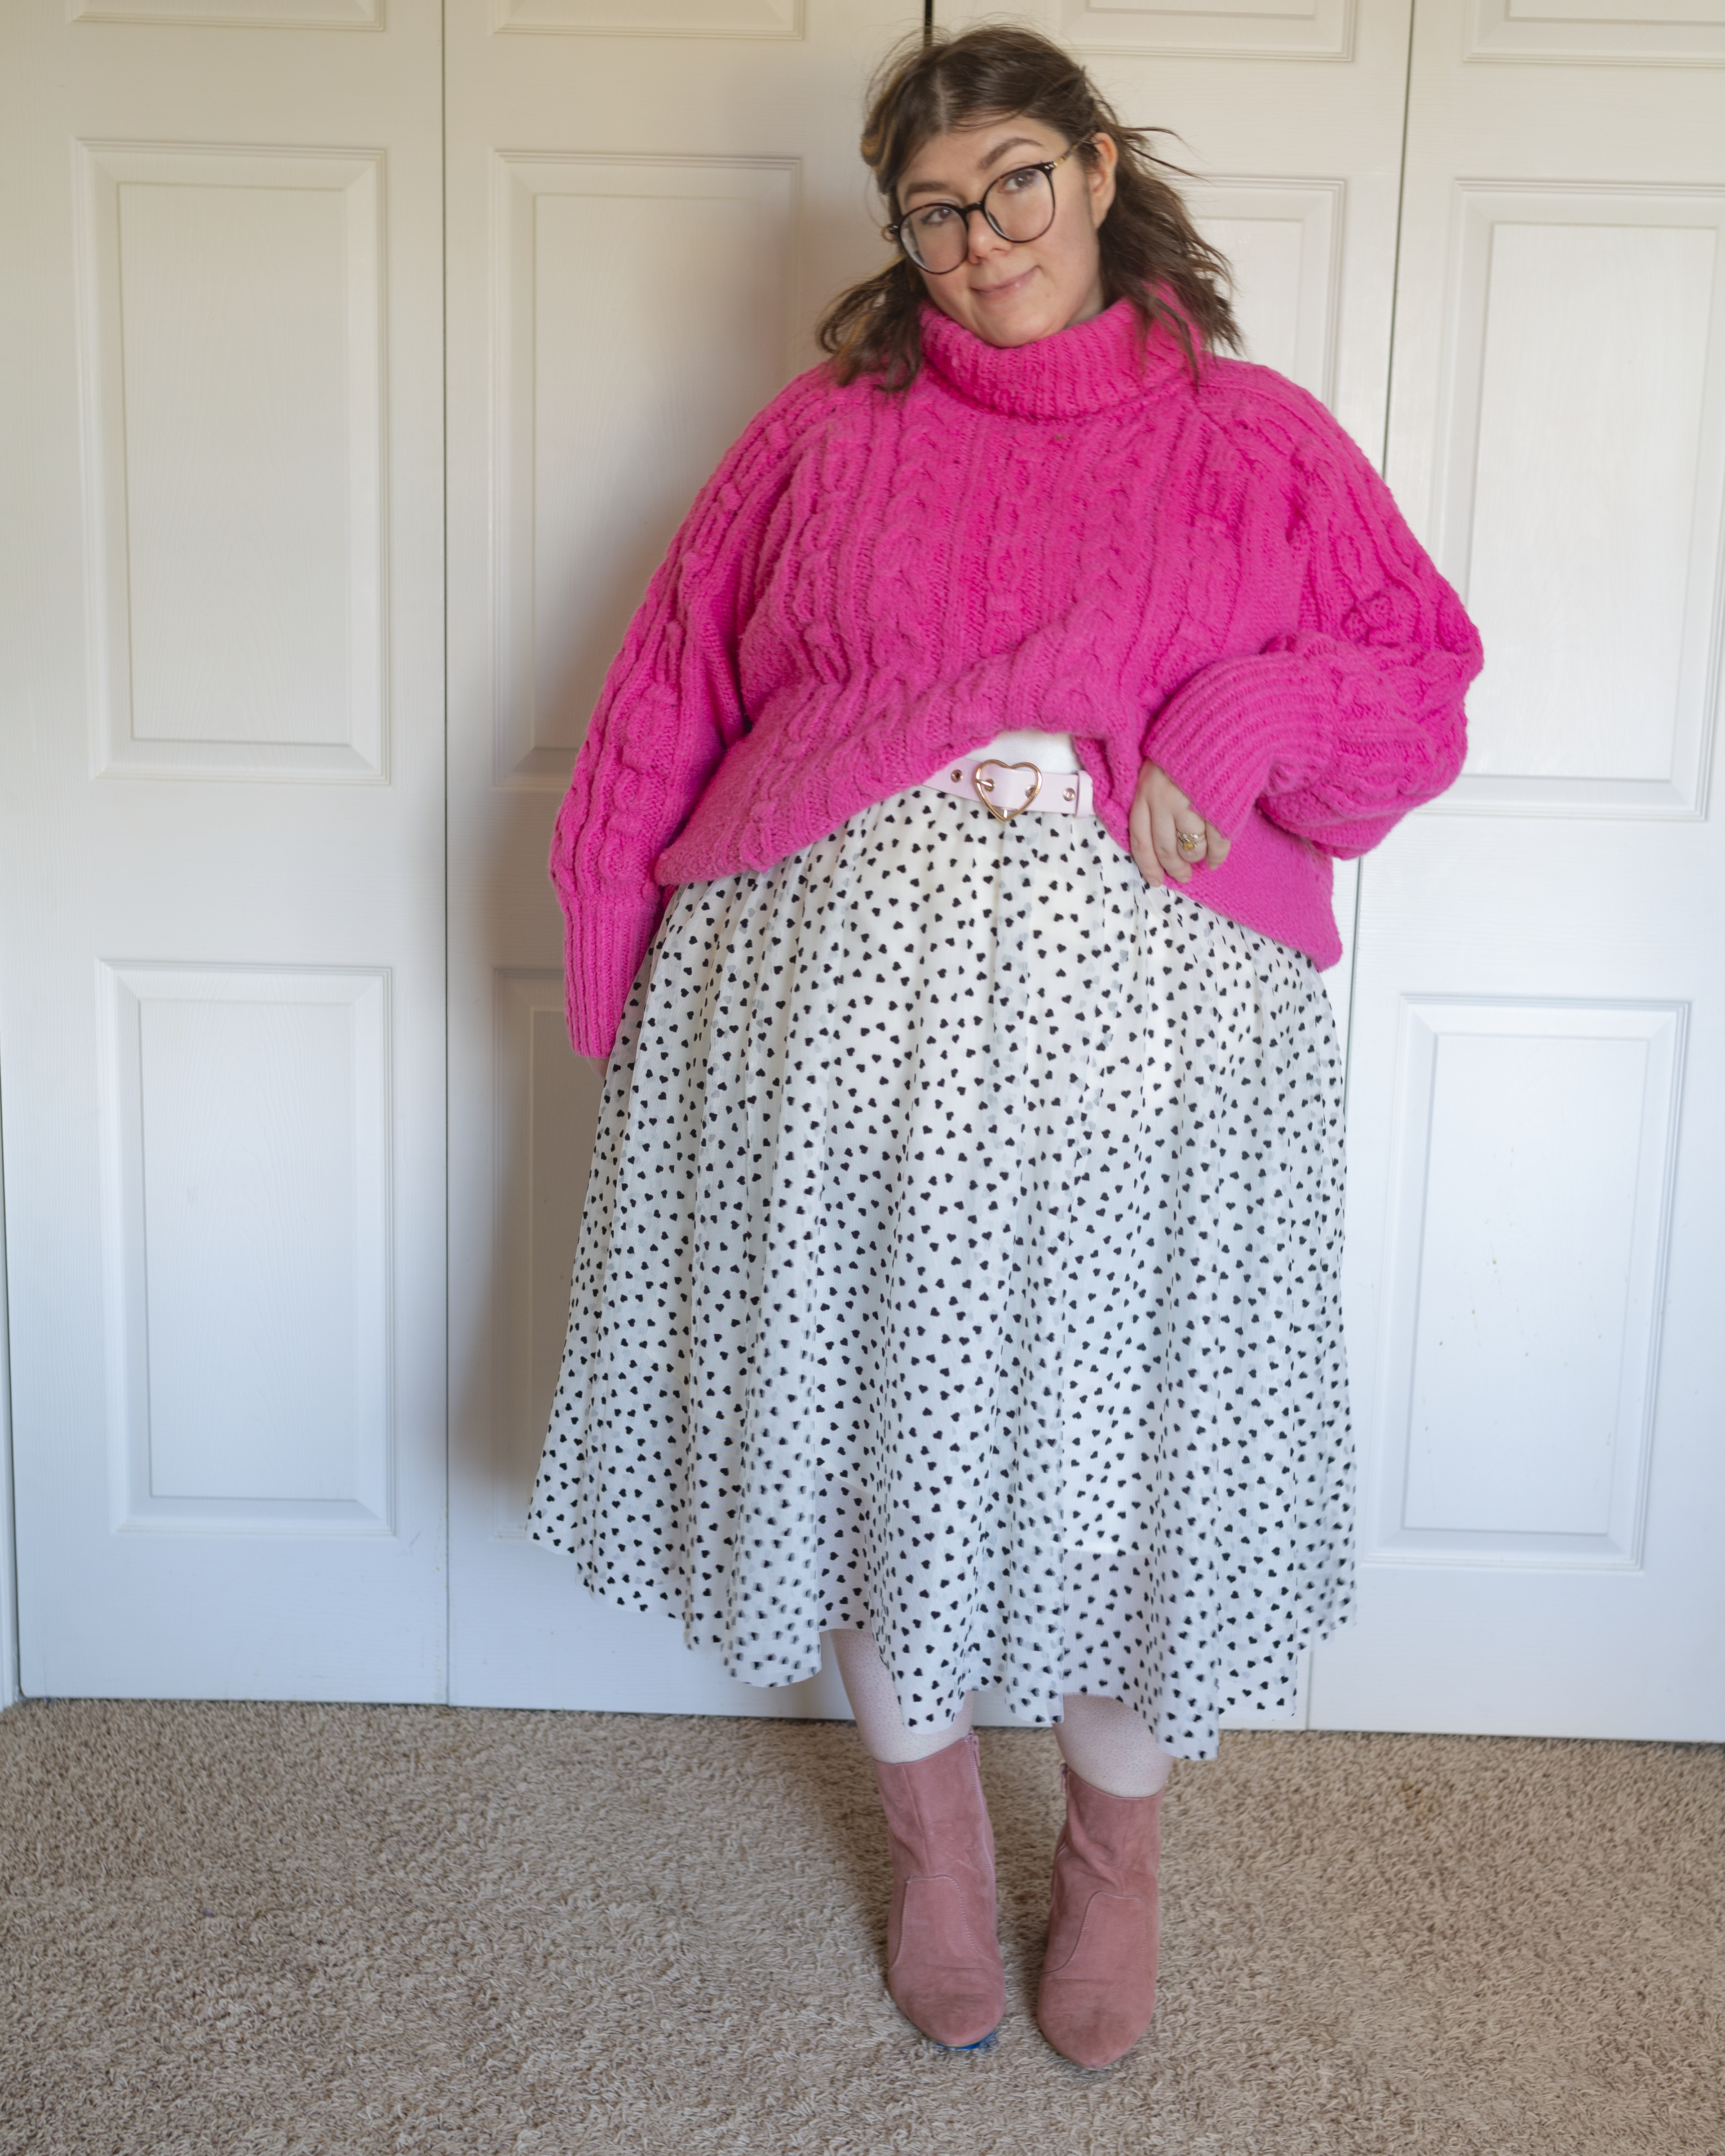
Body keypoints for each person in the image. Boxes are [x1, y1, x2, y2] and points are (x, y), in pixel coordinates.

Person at [529, 23, 1481, 2070]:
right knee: (882, 1446)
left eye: (1016, 184)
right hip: (826, 1026)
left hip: (1151, 1058)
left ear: (1103, 164)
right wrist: (616, 969)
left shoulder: (1261, 440)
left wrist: (1247, 725)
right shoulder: (815, 438)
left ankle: (1116, 1873)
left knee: (1136, 1464)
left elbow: (1419, 679)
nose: (980, 241)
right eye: (935, 211)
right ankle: (945, 1857)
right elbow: (661, 696)